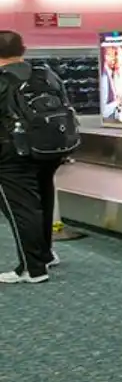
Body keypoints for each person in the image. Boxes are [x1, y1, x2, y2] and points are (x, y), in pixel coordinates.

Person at [0, 31, 66, 285]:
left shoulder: (3, 80)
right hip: (49, 149)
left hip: (12, 153)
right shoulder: (45, 74)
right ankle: (45, 254)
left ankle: (32, 268)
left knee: (21, 208)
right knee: (43, 200)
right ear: (23, 49)